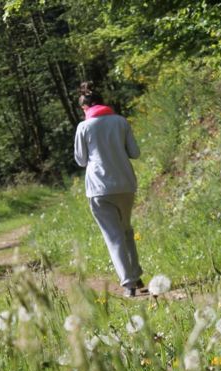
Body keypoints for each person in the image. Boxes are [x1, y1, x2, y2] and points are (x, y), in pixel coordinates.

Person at [73, 82, 145, 297]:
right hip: (125, 184)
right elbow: (135, 152)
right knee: (126, 230)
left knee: (114, 236)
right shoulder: (120, 121)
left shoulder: (84, 127)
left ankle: (129, 284)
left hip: (99, 188)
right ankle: (136, 274)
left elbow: (80, 160)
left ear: (85, 108)